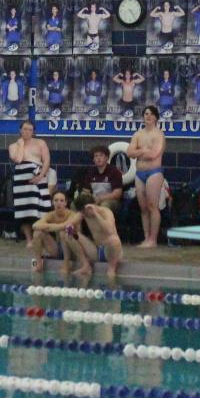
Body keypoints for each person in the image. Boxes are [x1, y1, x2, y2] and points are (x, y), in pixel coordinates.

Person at [127, 105, 167, 248]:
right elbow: (129, 152)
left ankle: (153, 239)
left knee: (152, 206)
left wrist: (139, 151)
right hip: (140, 174)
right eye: (145, 114)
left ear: (156, 117)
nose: (148, 116)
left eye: (150, 114)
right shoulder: (138, 134)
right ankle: (146, 238)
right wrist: (143, 150)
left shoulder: (159, 135)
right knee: (143, 207)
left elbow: (153, 155)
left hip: (154, 173)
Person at [31, 190, 90, 278]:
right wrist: (50, 226)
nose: (59, 203)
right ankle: (39, 264)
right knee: (37, 233)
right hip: (58, 249)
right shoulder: (50, 215)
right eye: (56, 200)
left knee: (65, 232)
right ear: (52, 202)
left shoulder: (73, 215)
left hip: (74, 248)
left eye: (61, 201)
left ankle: (73, 264)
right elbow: (35, 225)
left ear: (66, 203)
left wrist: (48, 227)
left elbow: (66, 227)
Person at [9, 121, 51, 241]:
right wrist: (21, 144)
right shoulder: (13, 146)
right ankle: (29, 239)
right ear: (20, 130)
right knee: (24, 212)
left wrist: (41, 175)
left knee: (40, 208)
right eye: (25, 129)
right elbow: (18, 159)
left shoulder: (40, 143)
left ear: (33, 132)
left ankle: (41, 238)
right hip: (21, 181)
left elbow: (47, 160)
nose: (27, 132)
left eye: (30, 130)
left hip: (38, 178)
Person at [78, 200, 124, 281]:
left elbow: (109, 230)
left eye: (86, 211)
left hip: (110, 251)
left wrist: (96, 214)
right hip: (96, 251)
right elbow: (68, 225)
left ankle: (111, 269)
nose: (85, 214)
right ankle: (85, 264)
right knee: (68, 232)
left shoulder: (106, 212)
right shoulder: (83, 214)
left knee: (114, 240)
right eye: (83, 212)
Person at [72, 144, 124, 212]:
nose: (98, 158)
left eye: (101, 155)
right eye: (96, 156)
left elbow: (117, 194)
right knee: (74, 204)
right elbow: (86, 191)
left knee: (104, 205)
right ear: (93, 160)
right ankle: (76, 222)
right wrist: (83, 199)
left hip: (111, 201)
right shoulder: (90, 172)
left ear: (106, 158)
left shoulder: (114, 172)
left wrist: (100, 199)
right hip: (94, 200)